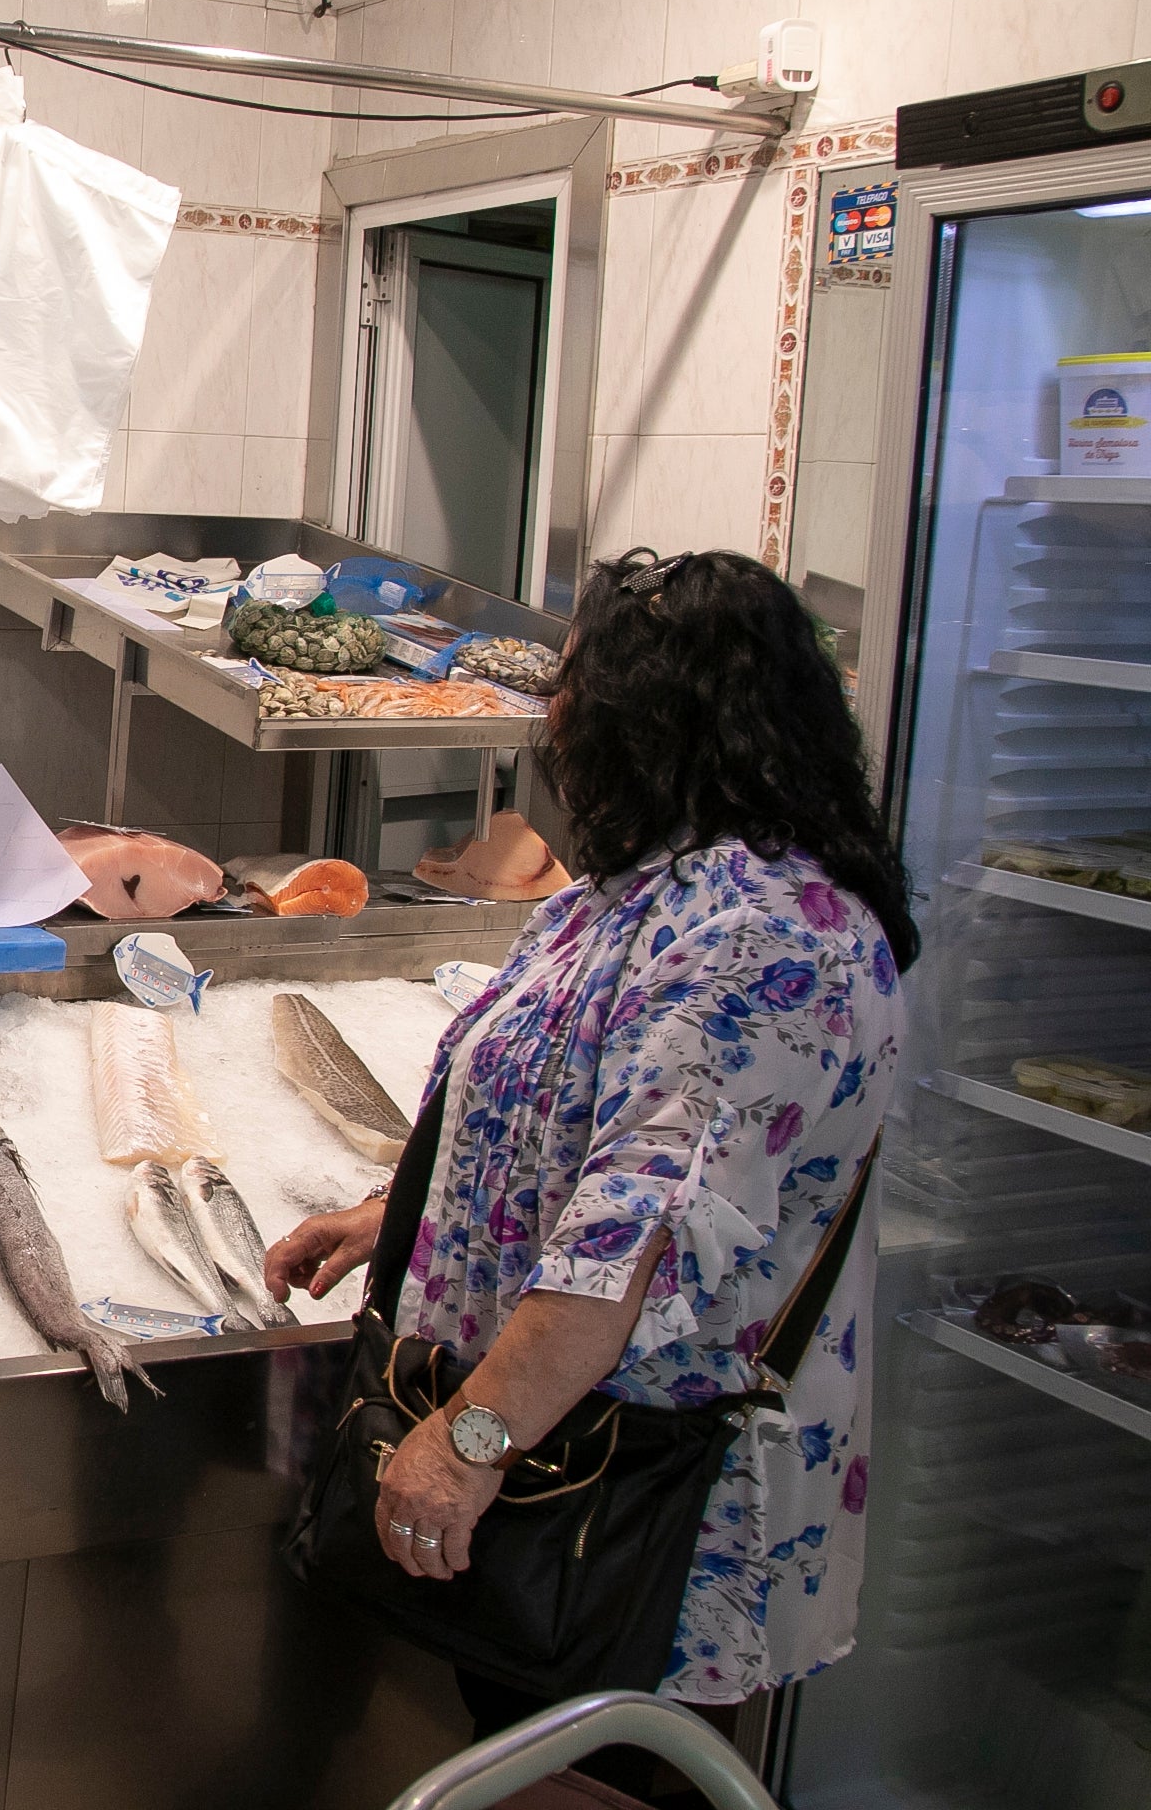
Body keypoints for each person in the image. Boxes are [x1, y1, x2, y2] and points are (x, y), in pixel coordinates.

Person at [264, 549, 912, 1746]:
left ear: (656, 720)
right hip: (555, 1479)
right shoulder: (647, 889)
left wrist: (465, 1443)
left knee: (610, 1766)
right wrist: (395, 1213)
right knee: (528, 1749)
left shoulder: (765, 934)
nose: (555, 726)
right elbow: (556, 1111)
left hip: (638, 1510)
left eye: (576, 695)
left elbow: (632, 1236)